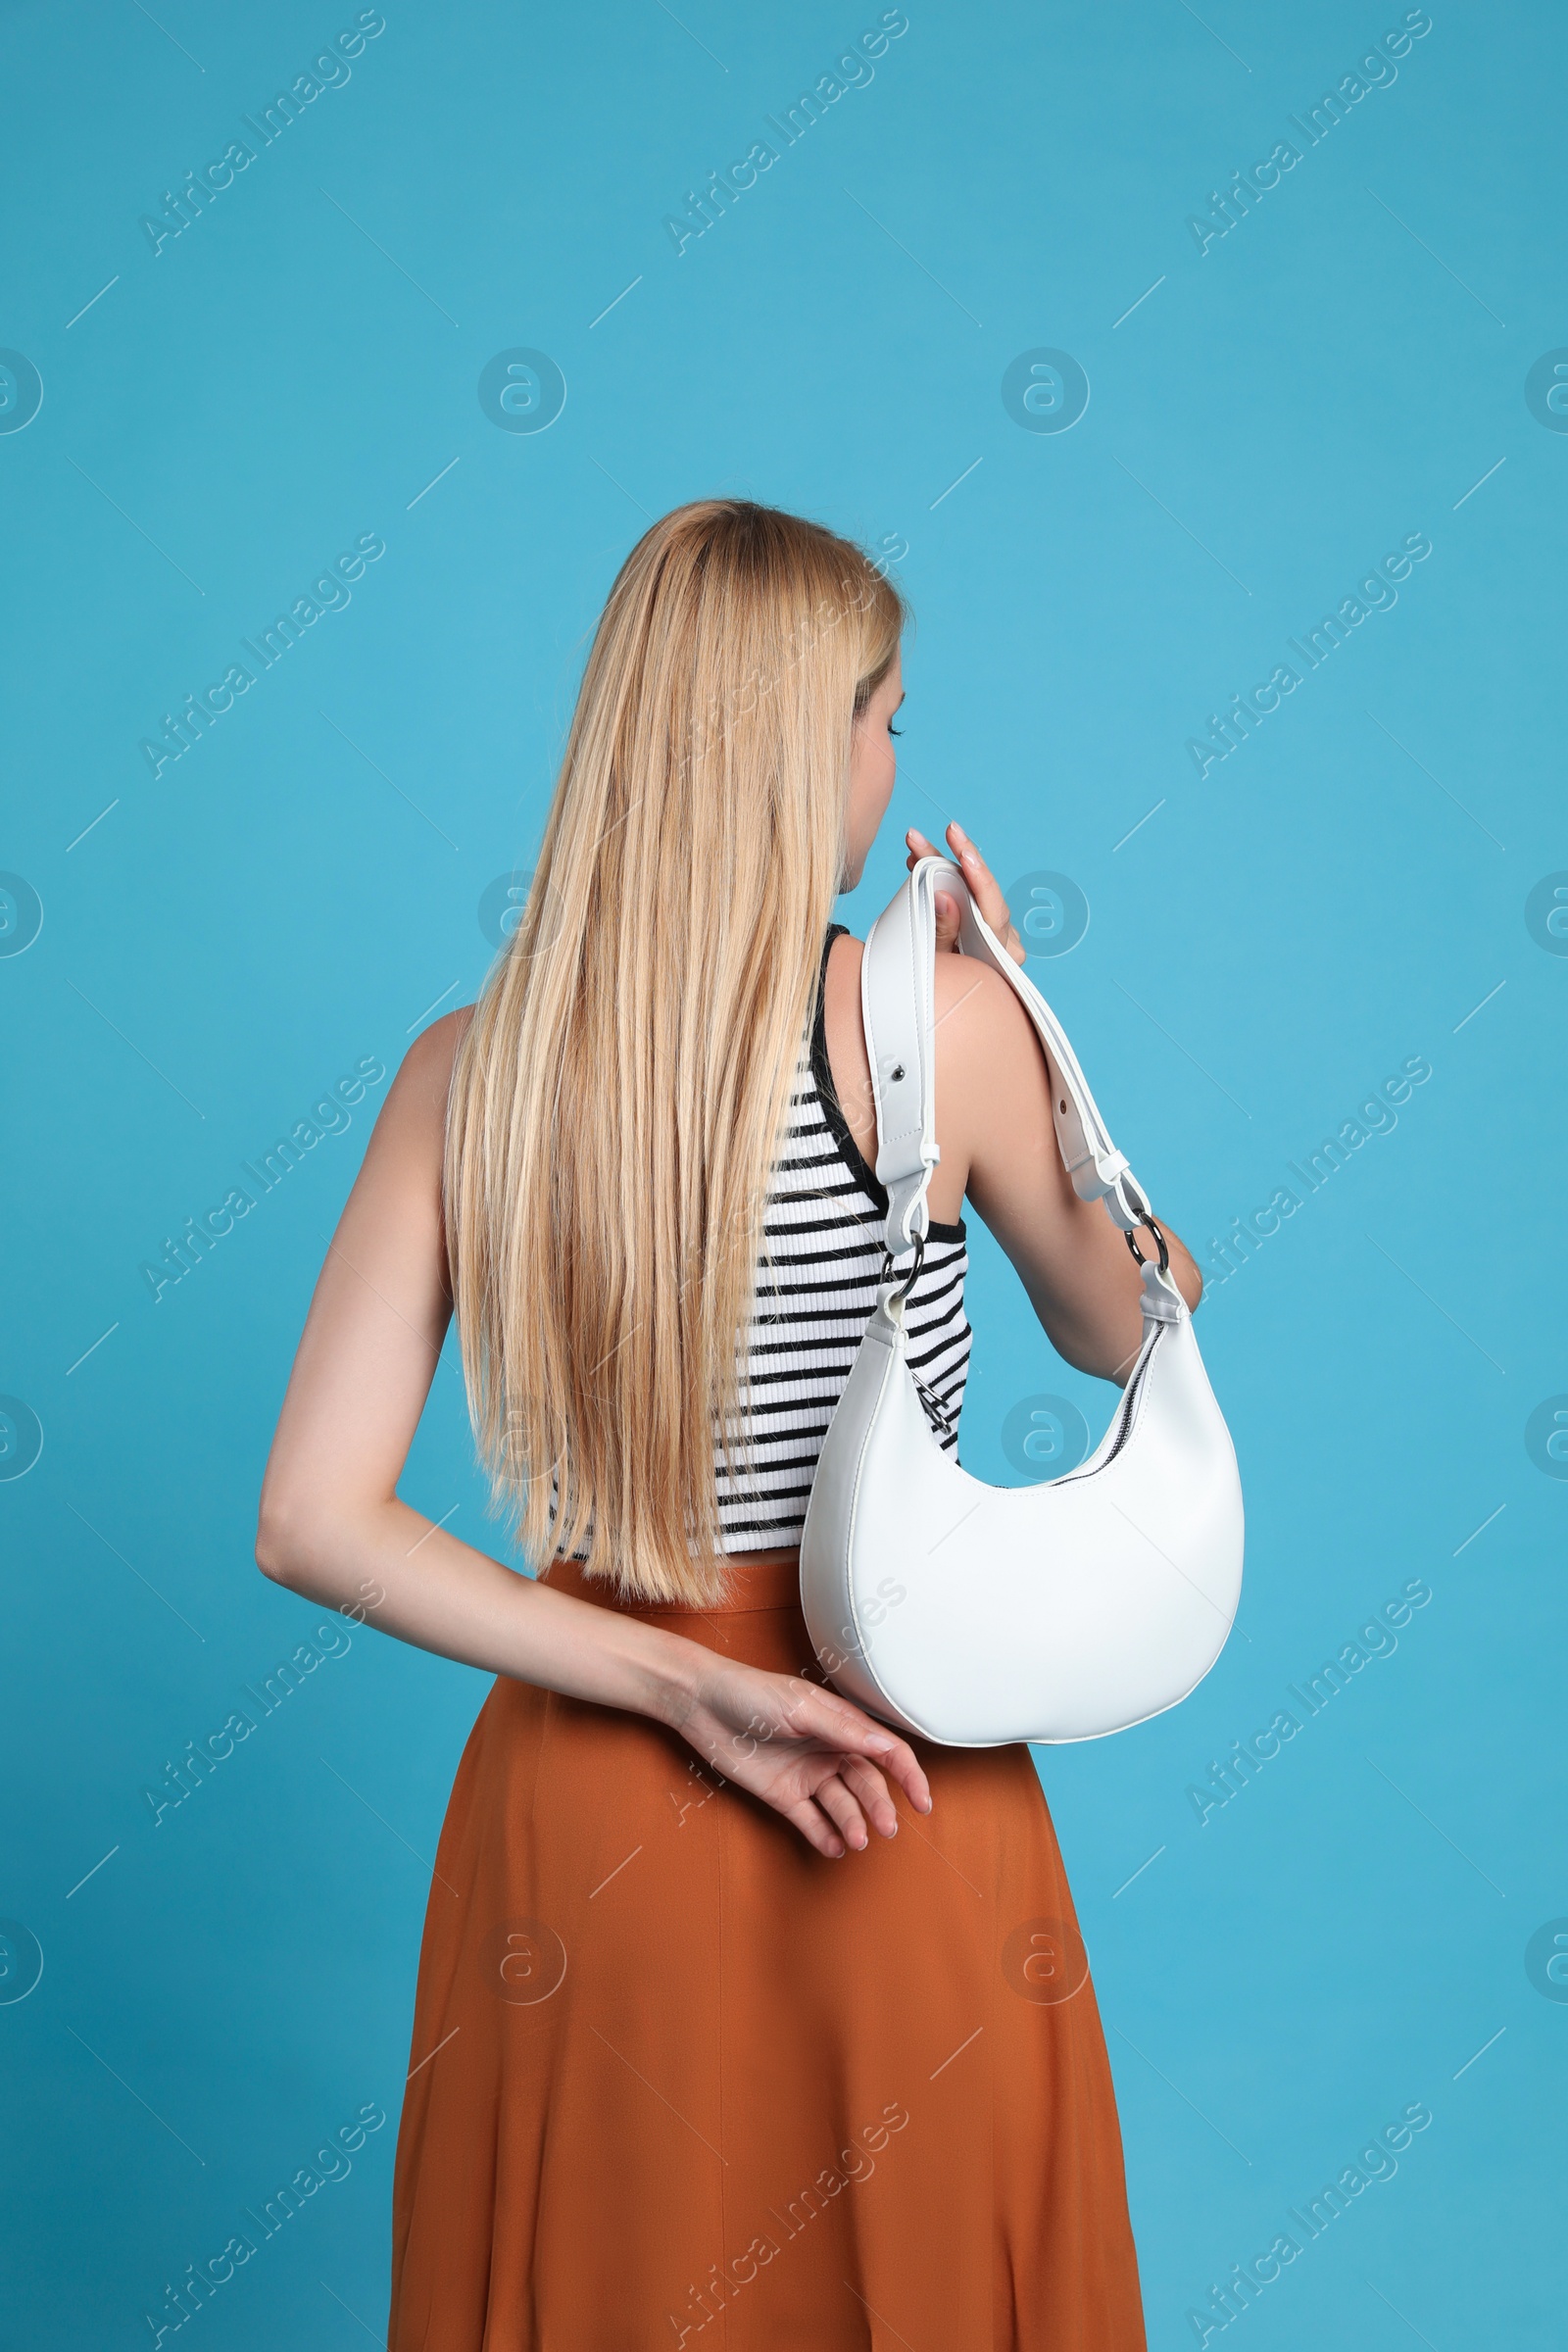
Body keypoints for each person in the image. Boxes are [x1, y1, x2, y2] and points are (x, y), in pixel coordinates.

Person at [256, 499, 1201, 2348]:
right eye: (889, 718)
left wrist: (674, 1683)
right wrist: (1022, 1013)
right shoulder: (942, 1031)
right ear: (812, 745)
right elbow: (1124, 1326)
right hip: (888, 1782)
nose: (893, 764)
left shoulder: (477, 1066)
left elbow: (311, 1518)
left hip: (577, 1813)